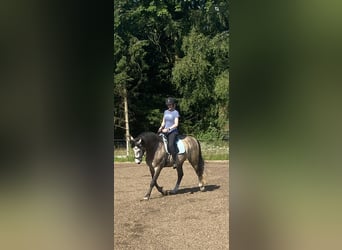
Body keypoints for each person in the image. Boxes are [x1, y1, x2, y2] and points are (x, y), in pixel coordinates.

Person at [158, 97, 180, 169]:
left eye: (170, 105)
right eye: (168, 105)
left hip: (173, 131)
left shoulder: (175, 112)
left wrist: (168, 129)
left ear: (173, 105)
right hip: (164, 130)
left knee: (170, 145)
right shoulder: (165, 112)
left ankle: (175, 161)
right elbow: (164, 121)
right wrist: (161, 127)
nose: (169, 106)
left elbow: (176, 124)